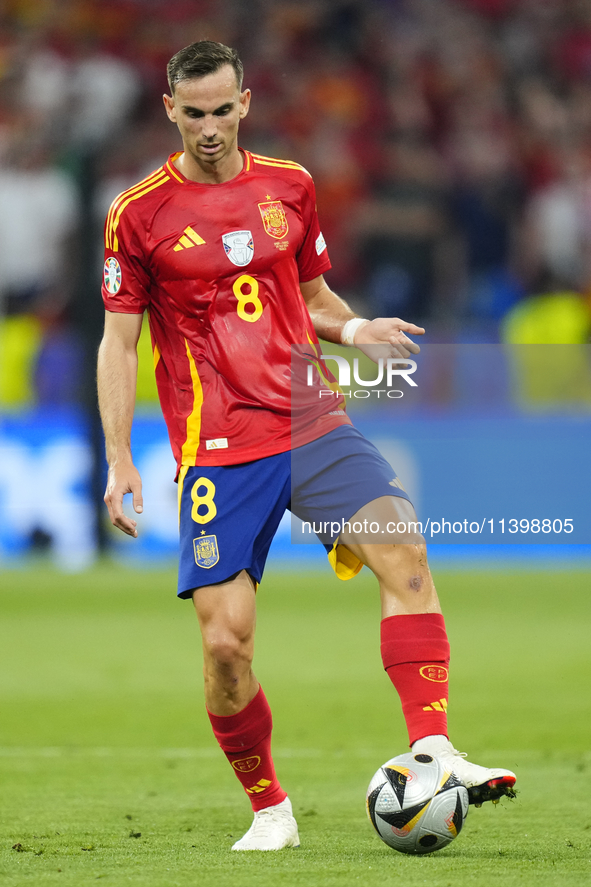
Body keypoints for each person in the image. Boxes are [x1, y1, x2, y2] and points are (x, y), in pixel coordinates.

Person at [97, 40, 516, 852]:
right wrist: (118, 456)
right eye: (195, 113)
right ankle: (270, 807)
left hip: (310, 416)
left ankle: (432, 746)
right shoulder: (138, 213)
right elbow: (118, 345)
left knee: (405, 553)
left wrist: (355, 327)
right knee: (226, 645)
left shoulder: (289, 185)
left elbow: (311, 294)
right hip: (217, 446)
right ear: (170, 111)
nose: (210, 127)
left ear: (244, 103)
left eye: (223, 109)